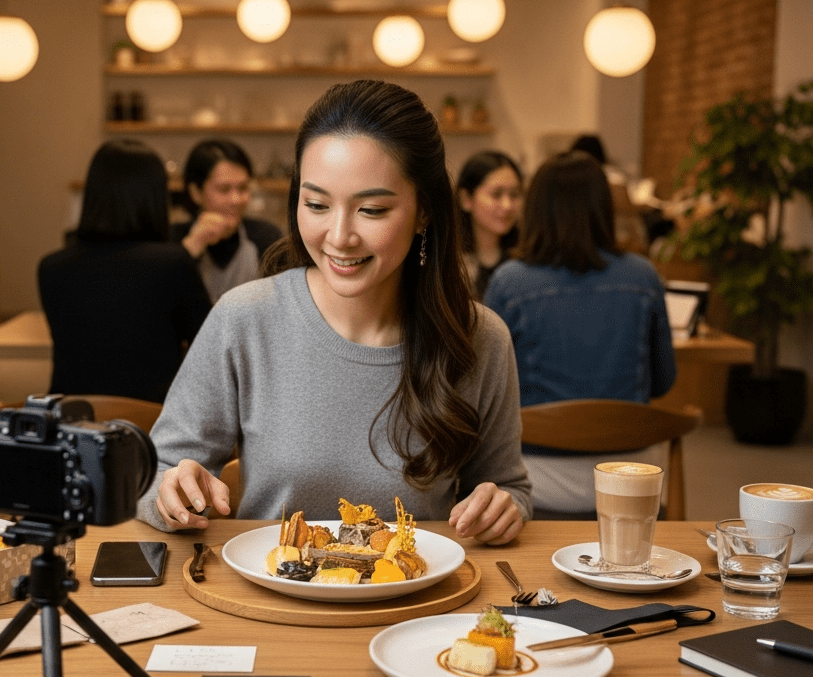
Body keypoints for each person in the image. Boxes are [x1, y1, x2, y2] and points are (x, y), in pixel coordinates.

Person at [137, 80, 531, 545]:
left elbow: (510, 487)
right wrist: (172, 492)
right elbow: (154, 478)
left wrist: (505, 507)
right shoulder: (243, 319)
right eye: (317, 204)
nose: (339, 236)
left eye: (372, 209)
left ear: (424, 211)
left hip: (417, 605)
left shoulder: (480, 337)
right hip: (269, 601)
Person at [483, 150, 676, 518]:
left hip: (536, 480)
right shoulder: (643, 277)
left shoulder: (510, 282)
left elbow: (487, 391)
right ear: (603, 207)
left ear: (535, 209)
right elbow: (662, 382)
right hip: (631, 480)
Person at [37, 139, 211, 404]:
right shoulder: (172, 263)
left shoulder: (50, 268)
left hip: (73, 424)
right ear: (155, 197)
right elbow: (209, 344)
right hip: (151, 425)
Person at [173, 138, 284, 303]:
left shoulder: (266, 237)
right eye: (224, 189)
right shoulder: (171, 239)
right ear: (196, 192)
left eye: (243, 188)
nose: (236, 199)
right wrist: (192, 247)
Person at [455, 150, 524, 299]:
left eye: (514, 194)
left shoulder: (527, 258)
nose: (507, 205)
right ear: (466, 198)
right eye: (496, 194)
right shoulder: (449, 263)